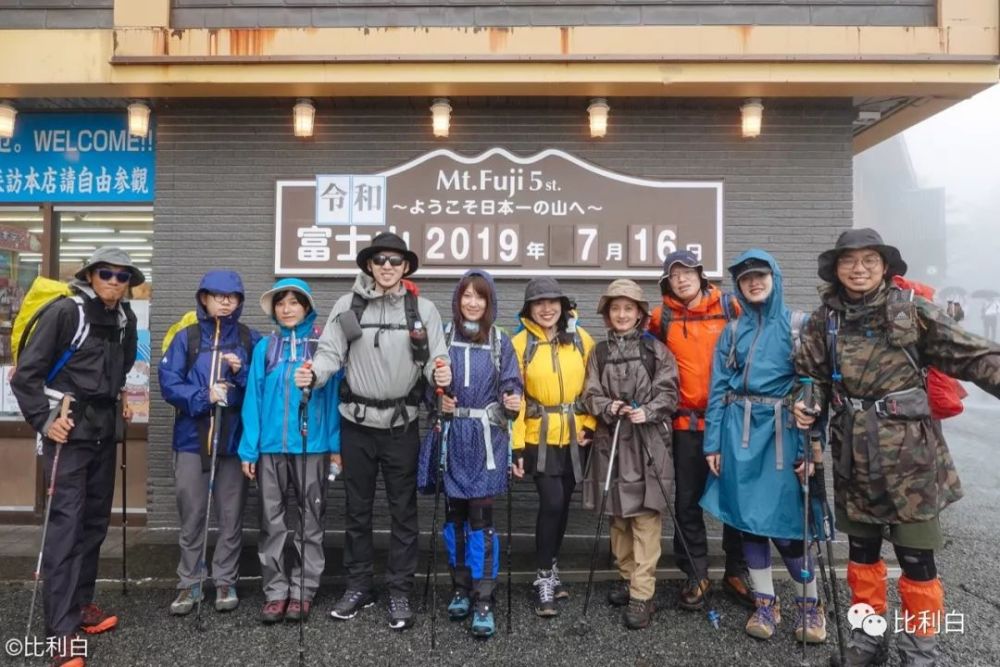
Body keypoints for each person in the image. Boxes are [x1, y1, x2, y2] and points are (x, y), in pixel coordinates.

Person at [794, 229, 1000, 666]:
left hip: (911, 459)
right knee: (862, 554)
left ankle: (919, 651)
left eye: (869, 260)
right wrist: (808, 402)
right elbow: (810, 375)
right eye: (849, 261)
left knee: (916, 558)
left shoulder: (911, 311)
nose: (859, 269)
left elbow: (973, 355)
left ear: (885, 266)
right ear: (836, 269)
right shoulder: (824, 321)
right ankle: (868, 641)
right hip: (852, 455)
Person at [294, 231, 451, 631]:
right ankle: (358, 586)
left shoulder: (422, 309)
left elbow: (435, 357)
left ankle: (400, 590)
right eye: (379, 260)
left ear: (406, 267)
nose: (387, 266)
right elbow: (330, 353)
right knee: (357, 509)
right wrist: (314, 374)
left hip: (402, 425)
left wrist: (441, 372)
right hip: (357, 424)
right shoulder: (350, 306)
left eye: (395, 260)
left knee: (403, 512)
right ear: (368, 264)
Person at [12, 247, 140, 667]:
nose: (114, 281)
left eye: (123, 276)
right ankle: (60, 633)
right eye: (106, 273)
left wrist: (118, 398)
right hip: (67, 433)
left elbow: (120, 368)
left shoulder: (124, 319)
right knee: (65, 529)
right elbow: (25, 376)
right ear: (89, 275)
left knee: (93, 524)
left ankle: (81, 605)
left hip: (103, 432)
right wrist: (44, 421)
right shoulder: (66, 313)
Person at [701, 250, 826, 644]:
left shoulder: (798, 325)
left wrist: (812, 446)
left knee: (788, 528)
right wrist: (712, 444)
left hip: (783, 434)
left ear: (775, 278)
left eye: (760, 275)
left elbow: (814, 386)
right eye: (745, 279)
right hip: (736, 434)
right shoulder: (732, 331)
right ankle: (765, 603)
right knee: (748, 526)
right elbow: (718, 389)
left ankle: (810, 606)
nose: (753, 283)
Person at [416, 269, 523, 638]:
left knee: (481, 521)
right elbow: (426, 387)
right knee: (454, 519)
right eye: (467, 295)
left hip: (485, 440)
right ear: (457, 299)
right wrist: (438, 400)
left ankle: (484, 598)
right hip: (450, 437)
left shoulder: (500, 341)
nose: (473, 302)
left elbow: (511, 385)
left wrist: (512, 400)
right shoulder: (443, 337)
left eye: (480, 296)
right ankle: (460, 588)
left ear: (489, 301)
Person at [647, 249, 754, 611]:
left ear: (701, 275)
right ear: (667, 283)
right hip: (685, 425)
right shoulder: (660, 318)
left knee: (736, 499)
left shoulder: (730, 307)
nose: (681, 279)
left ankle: (737, 571)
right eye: (674, 275)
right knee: (687, 502)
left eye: (687, 272)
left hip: (731, 420)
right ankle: (696, 573)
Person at [238, 278, 342, 624]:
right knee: (271, 522)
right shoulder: (264, 348)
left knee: (310, 520)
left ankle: (303, 590)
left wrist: (335, 447)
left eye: (294, 302)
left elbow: (333, 400)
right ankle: (276, 591)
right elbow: (253, 400)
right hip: (270, 448)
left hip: (313, 447)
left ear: (306, 307)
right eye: (281, 303)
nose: (286, 309)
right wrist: (249, 450)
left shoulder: (322, 347)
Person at [159, 270, 260, 617]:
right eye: (218, 296)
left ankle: (226, 580)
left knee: (231, 516)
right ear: (204, 298)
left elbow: (261, 389)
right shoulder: (186, 337)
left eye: (232, 297)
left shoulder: (249, 339)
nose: (225, 302)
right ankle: (190, 581)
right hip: (191, 441)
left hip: (233, 441)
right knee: (192, 514)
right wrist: (205, 395)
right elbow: (169, 383)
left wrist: (240, 373)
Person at [581, 279, 678, 630]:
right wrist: (609, 407)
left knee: (646, 517)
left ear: (639, 313)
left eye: (628, 308)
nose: (621, 315)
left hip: (647, 443)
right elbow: (589, 394)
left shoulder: (656, 351)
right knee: (618, 516)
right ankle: (626, 577)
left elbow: (670, 393)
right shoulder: (598, 353)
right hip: (611, 443)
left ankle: (642, 593)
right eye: (615, 309)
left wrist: (647, 411)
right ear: (607, 315)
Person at [510, 277, 596, 617]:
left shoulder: (580, 339)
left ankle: (553, 566)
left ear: (563, 306)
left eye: (552, 302)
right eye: (538, 303)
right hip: (539, 436)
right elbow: (515, 399)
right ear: (529, 309)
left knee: (563, 505)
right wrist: (516, 446)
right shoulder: (519, 344)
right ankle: (543, 577)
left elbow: (594, 386)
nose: (546, 309)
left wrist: (589, 425)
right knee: (553, 502)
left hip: (575, 436)